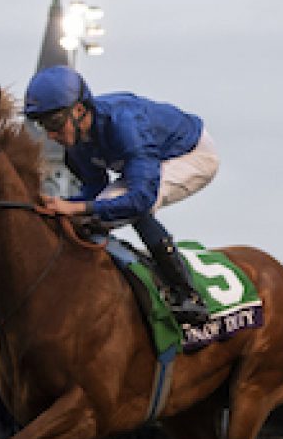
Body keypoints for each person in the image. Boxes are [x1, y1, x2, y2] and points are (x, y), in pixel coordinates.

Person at [23, 65, 219, 326]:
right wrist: (57, 205)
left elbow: (141, 198)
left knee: (128, 207)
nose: (50, 135)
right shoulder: (76, 143)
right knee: (91, 213)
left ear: (79, 110)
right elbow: (93, 190)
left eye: (55, 124)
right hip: (153, 160)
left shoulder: (125, 124)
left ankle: (187, 294)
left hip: (192, 154)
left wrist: (76, 208)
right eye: (43, 125)